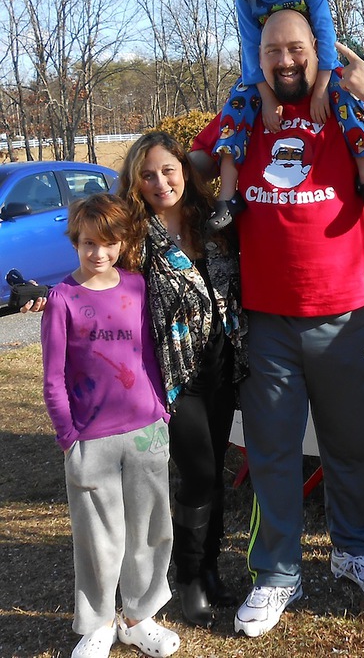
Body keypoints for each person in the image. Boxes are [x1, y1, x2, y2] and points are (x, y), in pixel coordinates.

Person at [202, 7, 364, 638]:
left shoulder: (347, 113)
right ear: (259, 54)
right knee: (273, 452)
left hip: (347, 313)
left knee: (352, 444)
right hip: (267, 321)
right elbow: (191, 171)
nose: (284, 60)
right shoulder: (244, 115)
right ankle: (277, 574)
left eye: (296, 47)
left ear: (318, 49)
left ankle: (356, 549)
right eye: (272, 49)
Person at [117, 132, 249, 628]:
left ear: (185, 170)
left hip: (224, 365)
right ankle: (189, 576)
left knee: (215, 469)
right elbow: (100, 280)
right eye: (147, 174)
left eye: (168, 170)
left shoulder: (212, 221)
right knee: (196, 472)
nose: (160, 182)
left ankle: (210, 566)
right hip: (174, 375)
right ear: (136, 181)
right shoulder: (132, 234)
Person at [40, 193, 180, 658]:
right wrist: (68, 437)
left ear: (122, 241)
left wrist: (160, 408)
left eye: (108, 242)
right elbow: (53, 375)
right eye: (87, 243)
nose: (98, 253)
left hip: (145, 431)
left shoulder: (137, 287)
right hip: (90, 438)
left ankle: (139, 617)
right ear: (75, 244)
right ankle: (98, 623)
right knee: (98, 538)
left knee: (150, 529)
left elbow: (148, 353)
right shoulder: (62, 299)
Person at [208, 0, 364, 231]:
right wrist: (266, 98)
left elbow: (324, 32)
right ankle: (228, 197)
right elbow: (251, 49)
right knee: (234, 107)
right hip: (267, 74)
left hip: (320, 68)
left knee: (350, 99)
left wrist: (321, 88)